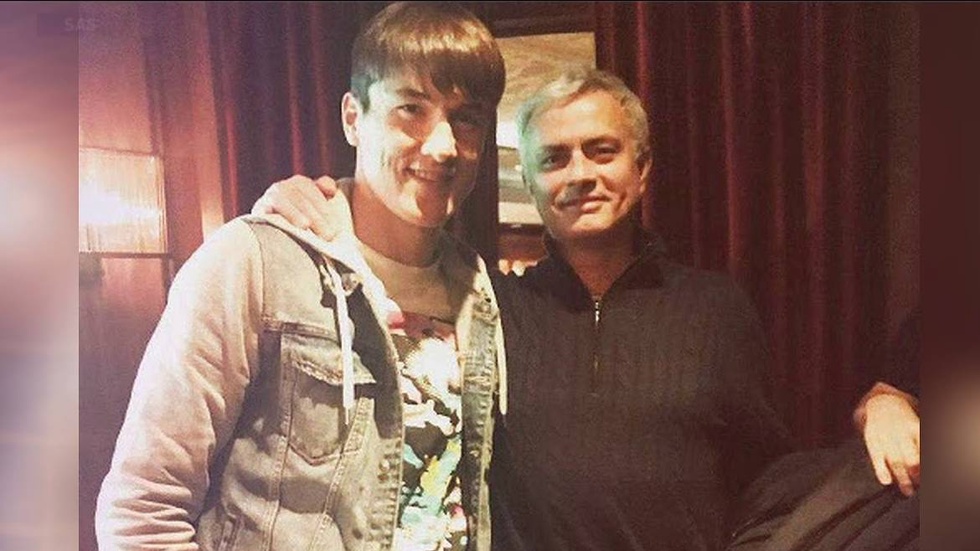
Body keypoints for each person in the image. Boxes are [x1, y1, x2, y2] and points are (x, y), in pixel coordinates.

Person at [254, 68, 792, 550]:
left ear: (642, 168)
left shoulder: (716, 311)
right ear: (531, 184)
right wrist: (308, 199)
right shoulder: (486, 307)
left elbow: (769, 482)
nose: (579, 174)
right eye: (554, 159)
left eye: (602, 151)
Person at [95, 3, 507, 550]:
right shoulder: (255, 262)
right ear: (353, 118)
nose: (443, 146)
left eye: (467, 118)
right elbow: (143, 511)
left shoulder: (479, 290)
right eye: (411, 108)